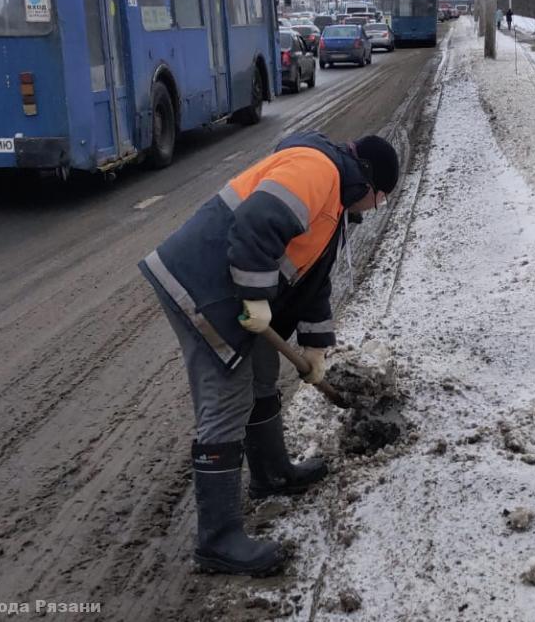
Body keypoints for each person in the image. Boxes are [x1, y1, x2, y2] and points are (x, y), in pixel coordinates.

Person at [139, 132, 400, 576]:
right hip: (202, 285)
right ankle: (217, 542)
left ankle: (272, 473)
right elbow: (256, 223)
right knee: (227, 398)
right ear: (370, 183)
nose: (374, 208)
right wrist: (257, 299)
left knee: (262, 369)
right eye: (380, 200)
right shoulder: (318, 169)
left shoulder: (335, 201)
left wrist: (316, 347)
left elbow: (313, 282)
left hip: (232, 289)